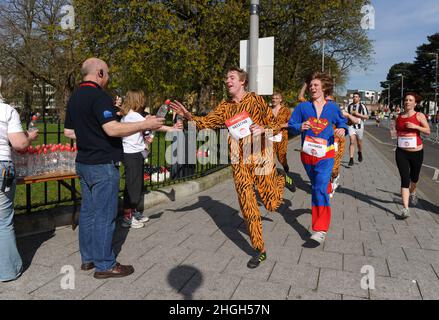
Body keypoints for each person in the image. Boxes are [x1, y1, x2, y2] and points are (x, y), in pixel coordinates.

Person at [170, 67, 295, 269]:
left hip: (261, 155)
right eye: (226, 78)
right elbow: (206, 123)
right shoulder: (225, 107)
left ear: (242, 82)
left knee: (271, 204)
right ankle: (259, 249)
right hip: (239, 162)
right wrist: (188, 116)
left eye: (231, 77)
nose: (227, 80)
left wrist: (263, 128)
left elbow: (275, 124)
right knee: (247, 205)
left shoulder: (255, 100)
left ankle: (280, 179)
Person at [64, 58, 164, 279]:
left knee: (89, 212)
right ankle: (105, 264)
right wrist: (146, 124)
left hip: (84, 163)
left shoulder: (75, 97)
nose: (108, 78)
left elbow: (69, 132)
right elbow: (111, 129)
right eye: (107, 73)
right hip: (102, 164)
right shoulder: (99, 96)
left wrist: (91, 135)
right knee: (104, 215)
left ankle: (88, 259)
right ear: (99, 73)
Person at [288, 72, 348, 247]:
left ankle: (320, 230)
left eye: (316, 85)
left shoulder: (333, 108)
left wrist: (342, 129)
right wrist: (300, 126)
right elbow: (291, 126)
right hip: (307, 155)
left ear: (324, 88)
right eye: (311, 85)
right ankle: (328, 187)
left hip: (326, 154)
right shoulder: (303, 107)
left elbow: (342, 122)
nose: (313, 88)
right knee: (317, 186)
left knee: (318, 189)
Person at [119, 89, 182, 228]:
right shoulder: (132, 116)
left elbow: (150, 124)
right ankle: (127, 217)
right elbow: (154, 125)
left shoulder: (135, 115)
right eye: (142, 99)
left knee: (137, 184)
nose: (144, 101)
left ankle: (133, 211)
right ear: (137, 100)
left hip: (137, 154)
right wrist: (172, 129)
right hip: (131, 155)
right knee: (132, 186)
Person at [0, 96, 38, 281]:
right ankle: (7, 270)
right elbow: (19, 144)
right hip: (1, 165)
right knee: (3, 221)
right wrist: (29, 137)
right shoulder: (6, 110)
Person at [395, 92, 430, 218]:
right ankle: (405, 208)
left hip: (416, 152)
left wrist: (416, 126)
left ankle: (413, 192)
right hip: (401, 152)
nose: (407, 102)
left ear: (415, 103)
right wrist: (394, 134)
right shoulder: (399, 117)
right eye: (406, 100)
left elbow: (428, 131)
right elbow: (396, 131)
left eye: (410, 100)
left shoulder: (419, 115)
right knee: (405, 179)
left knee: (414, 177)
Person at [270, 92, 296, 191]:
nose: (274, 99)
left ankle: (286, 169)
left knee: (281, 157)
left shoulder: (285, 110)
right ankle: (273, 180)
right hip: (269, 137)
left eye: (276, 98)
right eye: (273, 98)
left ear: (280, 100)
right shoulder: (268, 110)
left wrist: (279, 126)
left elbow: (290, 123)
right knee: (270, 159)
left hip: (281, 137)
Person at [347, 92, 369, 166]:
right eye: (354, 96)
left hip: (359, 127)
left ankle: (359, 152)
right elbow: (347, 115)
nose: (354, 98)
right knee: (352, 141)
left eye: (356, 97)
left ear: (359, 98)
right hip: (351, 126)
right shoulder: (349, 106)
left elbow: (367, 117)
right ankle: (351, 159)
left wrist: (357, 114)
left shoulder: (362, 106)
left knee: (359, 143)